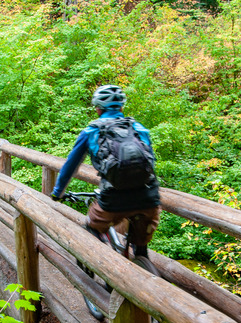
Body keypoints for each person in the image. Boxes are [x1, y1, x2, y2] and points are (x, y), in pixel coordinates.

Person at [51, 84, 161, 259]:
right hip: (150, 199)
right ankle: (142, 258)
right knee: (141, 242)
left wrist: (57, 192)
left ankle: (103, 265)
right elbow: (150, 162)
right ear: (121, 107)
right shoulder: (138, 128)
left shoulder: (92, 131)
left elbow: (70, 166)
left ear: (98, 109)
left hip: (114, 201)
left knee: (92, 227)